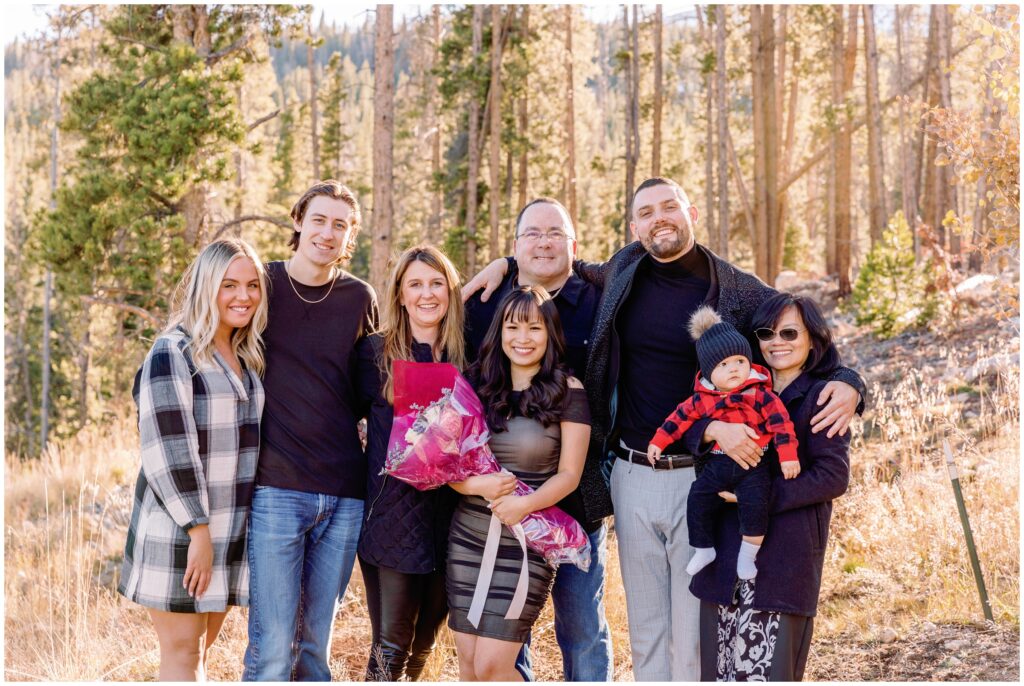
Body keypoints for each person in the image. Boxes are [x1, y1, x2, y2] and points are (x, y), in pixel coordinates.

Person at [465, 177, 864, 681]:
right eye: (647, 212)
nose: (660, 219)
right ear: (634, 228)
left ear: (691, 212)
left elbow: (797, 331)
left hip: (700, 481)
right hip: (630, 474)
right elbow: (555, 261)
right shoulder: (622, 272)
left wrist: (849, 381)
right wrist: (503, 263)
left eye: (669, 207)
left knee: (694, 632)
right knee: (646, 630)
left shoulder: (734, 289)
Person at [463, 198, 611, 681]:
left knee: (582, 627)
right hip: (497, 510)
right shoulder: (489, 304)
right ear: (515, 245)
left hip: (577, 501)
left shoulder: (602, 296)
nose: (543, 242)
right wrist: (503, 266)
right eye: (532, 234)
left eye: (555, 233)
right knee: (505, 643)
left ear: (574, 244)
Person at [243, 180, 378, 681]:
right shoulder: (262, 285)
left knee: (314, 649)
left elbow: (370, 387)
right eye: (319, 220)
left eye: (340, 225)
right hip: (277, 488)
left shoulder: (359, 297)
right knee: (272, 648)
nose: (328, 233)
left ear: (350, 237)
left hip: (344, 494)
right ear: (298, 221)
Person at [119, 238, 268, 681]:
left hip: (228, 530)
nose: (243, 296)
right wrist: (197, 532)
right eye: (229, 285)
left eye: (252, 285)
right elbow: (168, 449)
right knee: (182, 657)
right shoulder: (174, 351)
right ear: (206, 287)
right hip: (183, 531)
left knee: (201, 657)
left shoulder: (245, 355)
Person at [355, 245, 503, 681]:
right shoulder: (375, 354)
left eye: (437, 283)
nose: (426, 294)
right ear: (399, 294)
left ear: (452, 292)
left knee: (425, 642)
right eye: (415, 284)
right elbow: (341, 415)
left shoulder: (468, 356)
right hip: (391, 517)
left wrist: (505, 263)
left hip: (455, 517)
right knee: (392, 641)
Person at [689, 292, 851, 681]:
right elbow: (687, 423)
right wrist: (711, 430)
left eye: (790, 332)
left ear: (813, 338)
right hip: (725, 561)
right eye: (766, 333)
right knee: (720, 674)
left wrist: (757, 498)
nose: (777, 341)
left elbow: (833, 476)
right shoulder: (731, 384)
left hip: (784, 562)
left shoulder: (823, 396)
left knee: (769, 673)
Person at [447, 286, 591, 681]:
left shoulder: (568, 391)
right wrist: (479, 487)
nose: (523, 338)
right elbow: (450, 469)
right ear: (499, 332)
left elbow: (569, 476)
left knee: (494, 666)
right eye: (513, 327)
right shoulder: (474, 386)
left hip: (526, 540)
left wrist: (523, 505)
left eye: (534, 328)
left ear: (550, 334)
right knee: (470, 665)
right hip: (469, 536)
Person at [647, 306, 800, 582]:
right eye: (724, 365)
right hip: (717, 463)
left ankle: (747, 557)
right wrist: (659, 441)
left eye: (740, 361)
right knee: (698, 498)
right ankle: (703, 549)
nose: (734, 369)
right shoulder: (701, 399)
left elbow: (782, 425)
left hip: (755, 463)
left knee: (755, 506)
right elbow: (677, 420)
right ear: (709, 372)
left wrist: (788, 456)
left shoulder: (760, 394)